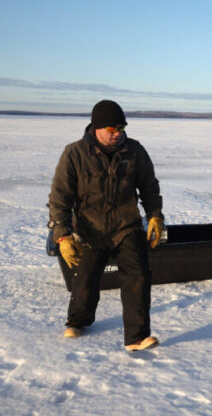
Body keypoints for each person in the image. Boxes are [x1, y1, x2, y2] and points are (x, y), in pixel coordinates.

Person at [48, 100, 164, 351]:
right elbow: (60, 197)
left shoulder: (134, 151)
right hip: (90, 229)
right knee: (86, 280)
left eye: (120, 129)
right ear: (97, 128)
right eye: (112, 130)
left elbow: (149, 186)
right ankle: (77, 321)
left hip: (126, 225)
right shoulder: (75, 153)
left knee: (138, 275)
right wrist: (62, 235)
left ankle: (137, 336)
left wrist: (155, 215)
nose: (117, 134)